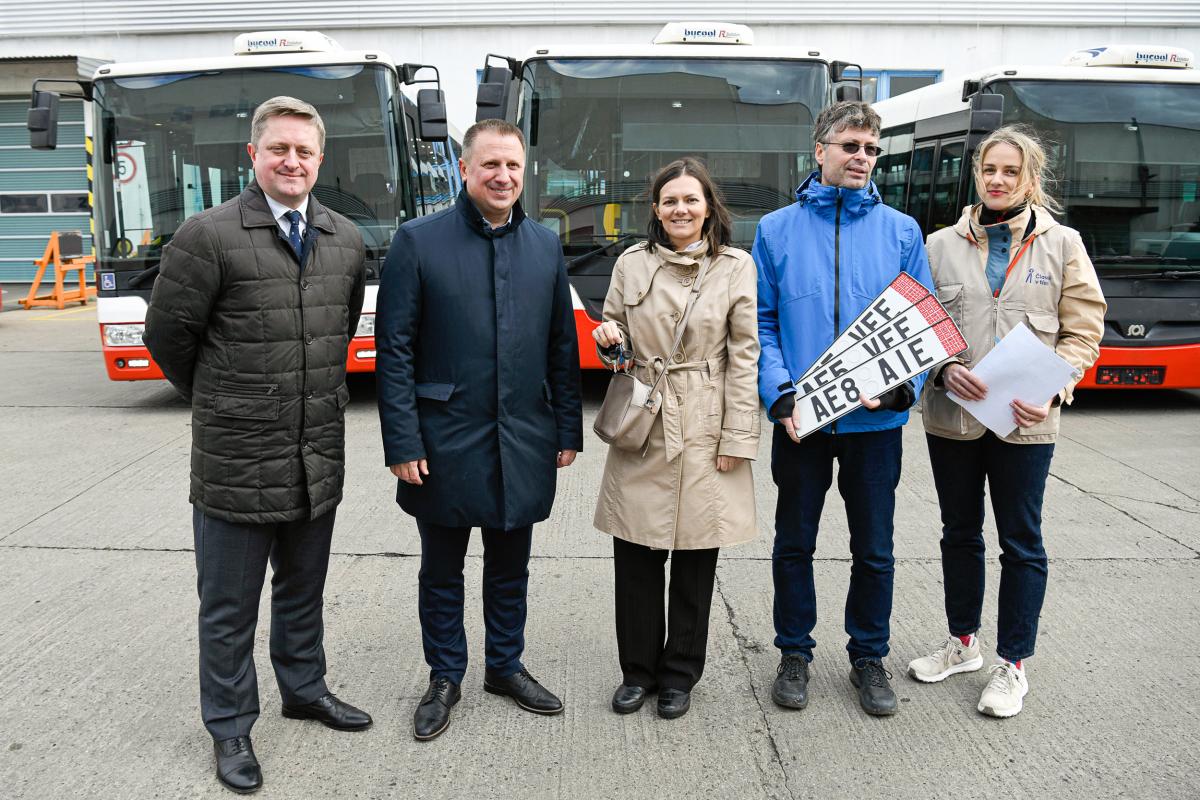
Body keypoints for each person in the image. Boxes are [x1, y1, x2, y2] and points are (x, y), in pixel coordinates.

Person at [143, 96, 371, 795]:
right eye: (279, 149)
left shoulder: (344, 239)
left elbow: (338, 331)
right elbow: (167, 337)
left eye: (304, 151)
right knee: (230, 607)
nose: (292, 161)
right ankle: (232, 727)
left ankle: (304, 689)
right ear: (254, 155)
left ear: (320, 158)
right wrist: (222, 401)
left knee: (303, 591)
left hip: (315, 454)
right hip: (237, 460)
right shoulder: (207, 236)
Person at [376, 118, 583, 741]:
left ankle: (505, 665)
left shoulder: (545, 246)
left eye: (513, 166)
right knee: (442, 568)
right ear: (464, 170)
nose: (502, 176)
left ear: (526, 172)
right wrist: (403, 441)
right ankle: (444, 675)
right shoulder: (418, 241)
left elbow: (559, 346)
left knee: (510, 565)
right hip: (442, 438)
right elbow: (395, 350)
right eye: (489, 165)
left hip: (522, 436)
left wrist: (567, 428)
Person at [907, 125, 1106, 717]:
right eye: (989, 170)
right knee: (959, 533)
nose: (998, 180)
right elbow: (918, 330)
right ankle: (962, 643)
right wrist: (942, 371)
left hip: (1027, 424)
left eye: (1010, 172)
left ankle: (1012, 664)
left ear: (1031, 179)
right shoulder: (938, 245)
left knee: (1021, 542)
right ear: (977, 175)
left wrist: (1051, 388)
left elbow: (1084, 332)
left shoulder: (1062, 244)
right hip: (954, 419)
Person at [754, 101, 933, 717]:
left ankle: (868, 656)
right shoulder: (775, 230)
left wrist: (903, 386)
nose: (862, 157)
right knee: (794, 543)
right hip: (801, 420)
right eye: (851, 145)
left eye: (871, 149)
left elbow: (921, 321)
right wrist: (777, 390)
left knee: (874, 548)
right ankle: (794, 652)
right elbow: (763, 321)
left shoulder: (902, 231)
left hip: (875, 424)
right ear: (820, 151)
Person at [592, 158, 760, 720]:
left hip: (707, 419)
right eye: (669, 201)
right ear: (656, 210)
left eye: (691, 200)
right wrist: (610, 341)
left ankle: (680, 674)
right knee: (635, 554)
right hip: (645, 416)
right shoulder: (630, 263)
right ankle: (636, 672)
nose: (680, 210)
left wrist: (738, 433)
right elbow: (613, 345)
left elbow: (744, 355)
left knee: (695, 557)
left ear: (709, 206)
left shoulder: (735, 267)